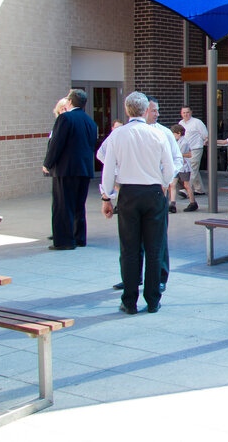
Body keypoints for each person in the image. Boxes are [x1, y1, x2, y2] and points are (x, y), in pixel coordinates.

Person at [100, 92, 174, 315]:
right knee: (154, 248)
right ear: (146, 110)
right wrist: (163, 183)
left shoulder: (117, 135)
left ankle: (129, 301)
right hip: (153, 192)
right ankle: (153, 300)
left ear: (126, 110)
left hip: (129, 193)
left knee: (129, 248)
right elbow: (169, 168)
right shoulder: (157, 134)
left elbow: (108, 170)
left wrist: (107, 198)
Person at [42, 89, 98, 249]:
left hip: (66, 169)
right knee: (79, 205)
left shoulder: (65, 118)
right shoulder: (90, 122)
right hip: (84, 169)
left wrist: (48, 163)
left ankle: (64, 241)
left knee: (63, 205)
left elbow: (56, 143)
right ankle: (79, 237)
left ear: (70, 102)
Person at [178, 106, 208, 196]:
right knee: (194, 169)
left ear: (191, 112)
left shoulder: (197, 122)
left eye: (187, 112)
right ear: (181, 114)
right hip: (186, 150)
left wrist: (205, 140)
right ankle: (199, 189)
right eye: (183, 113)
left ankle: (186, 189)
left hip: (196, 148)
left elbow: (205, 134)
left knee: (192, 169)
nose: (185, 114)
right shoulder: (180, 123)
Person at [168, 124, 198, 213]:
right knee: (172, 184)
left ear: (179, 133)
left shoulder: (184, 142)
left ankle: (193, 202)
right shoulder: (176, 141)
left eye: (174, 133)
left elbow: (178, 154)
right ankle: (172, 203)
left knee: (186, 185)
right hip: (177, 166)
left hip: (184, 167)